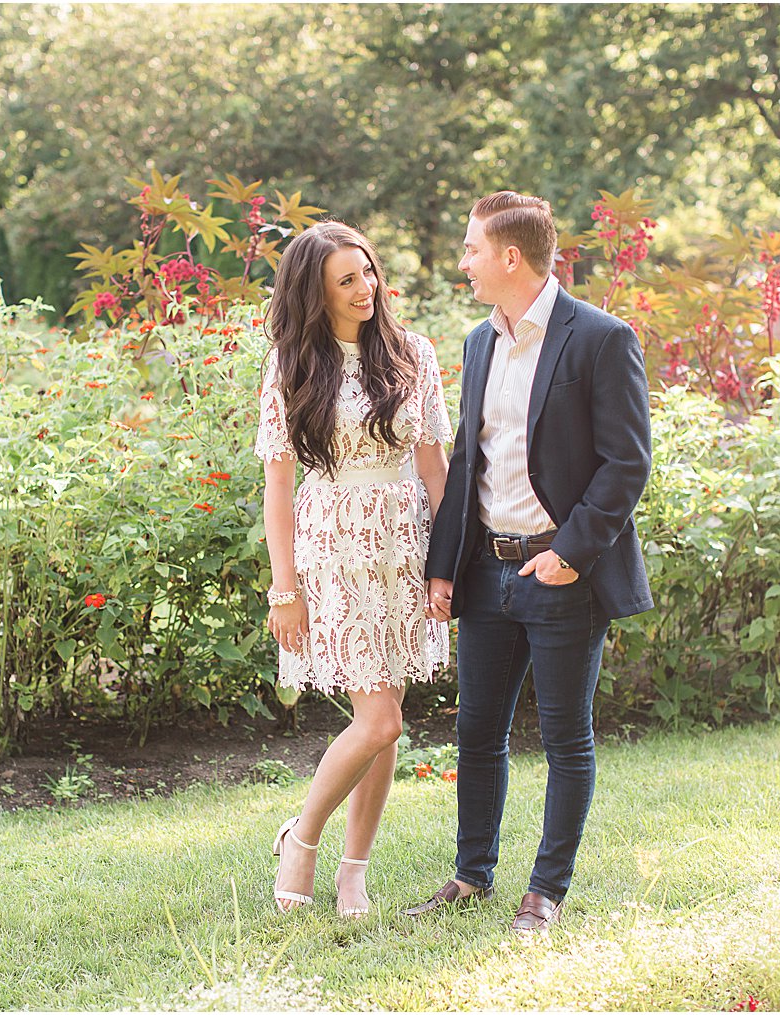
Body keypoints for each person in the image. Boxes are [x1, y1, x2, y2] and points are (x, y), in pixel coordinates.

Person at [406, 191, 653, 934]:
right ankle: (471, 875)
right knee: (476, 731)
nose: (465, 262)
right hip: (486, 570)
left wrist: (571, 554)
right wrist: (444, 565)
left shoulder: (601, 339)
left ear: (510, 256)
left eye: (472, 249)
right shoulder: (480, 341)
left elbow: (626, 464)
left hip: (561, 575)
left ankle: (544, 891)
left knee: (565, 738)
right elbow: (466, 459)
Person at [256, 221, 454, 917]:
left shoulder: (413, 354)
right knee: (379, 719)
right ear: (317, 292)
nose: (366, 287)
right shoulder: (290, 365)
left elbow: (434, 466)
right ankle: (301, 838)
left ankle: (353, 872)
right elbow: (277, 486)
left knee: (389, 715)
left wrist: (446, 561)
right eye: (347, 279)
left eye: (368, 271)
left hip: (403, 544)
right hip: (332, 547)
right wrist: (285, 589)